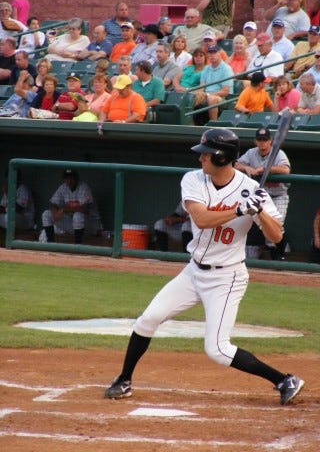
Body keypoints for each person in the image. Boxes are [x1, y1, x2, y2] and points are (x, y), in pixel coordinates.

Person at [103, 128, 305, 406]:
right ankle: (124, 379)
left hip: (226, 277)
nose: (200, 159)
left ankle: (284, 380)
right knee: (147, 320)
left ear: (222, 158)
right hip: (193, 271)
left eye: (206, 155)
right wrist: (239, 210)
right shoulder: (193, 180)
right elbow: (201, 219)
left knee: (218, 350)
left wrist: (258, 210)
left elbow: (276, 237)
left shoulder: (251, 191)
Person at [235, 127, 291, 260]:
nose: (262, 143)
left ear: (270, 141)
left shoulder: (278, 153)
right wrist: (247, 167)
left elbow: (285, 170)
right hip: (261, 197)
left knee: (276, 224)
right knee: (262, 226)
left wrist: (266, 169)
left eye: (265, 140)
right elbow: (235, 165)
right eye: (259, 140)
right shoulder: (251, 153)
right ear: (255, 141)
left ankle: (279, 257)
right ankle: (273, 255)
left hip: (278, 196)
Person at [41, 169, 102, 244]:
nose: (69, 181)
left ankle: (78, 246)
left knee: (78, 215)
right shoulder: (63, 187)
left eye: (71, 178)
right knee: (46, 214)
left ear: (76, 178)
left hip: (90, 225)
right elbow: (53, 204)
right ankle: (51, 244)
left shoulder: (84, 187)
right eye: (67, 178)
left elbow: (83, 209)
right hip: (74, 225)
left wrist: (63, 210)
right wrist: (55, 213)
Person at [195, 45, 234, 122]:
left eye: (214, 53)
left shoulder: (226, 69)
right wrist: (197, 94)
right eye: (210, 53)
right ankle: (191, 124)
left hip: (223, 98)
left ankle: (214, 123)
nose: (212, 55)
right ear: (208, 55)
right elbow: (201, 87)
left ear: (220, 54)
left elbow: (225, 92)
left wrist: (208, 95)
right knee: (191, 96)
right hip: (206, 95)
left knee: (211, 99)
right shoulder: (206, 69)